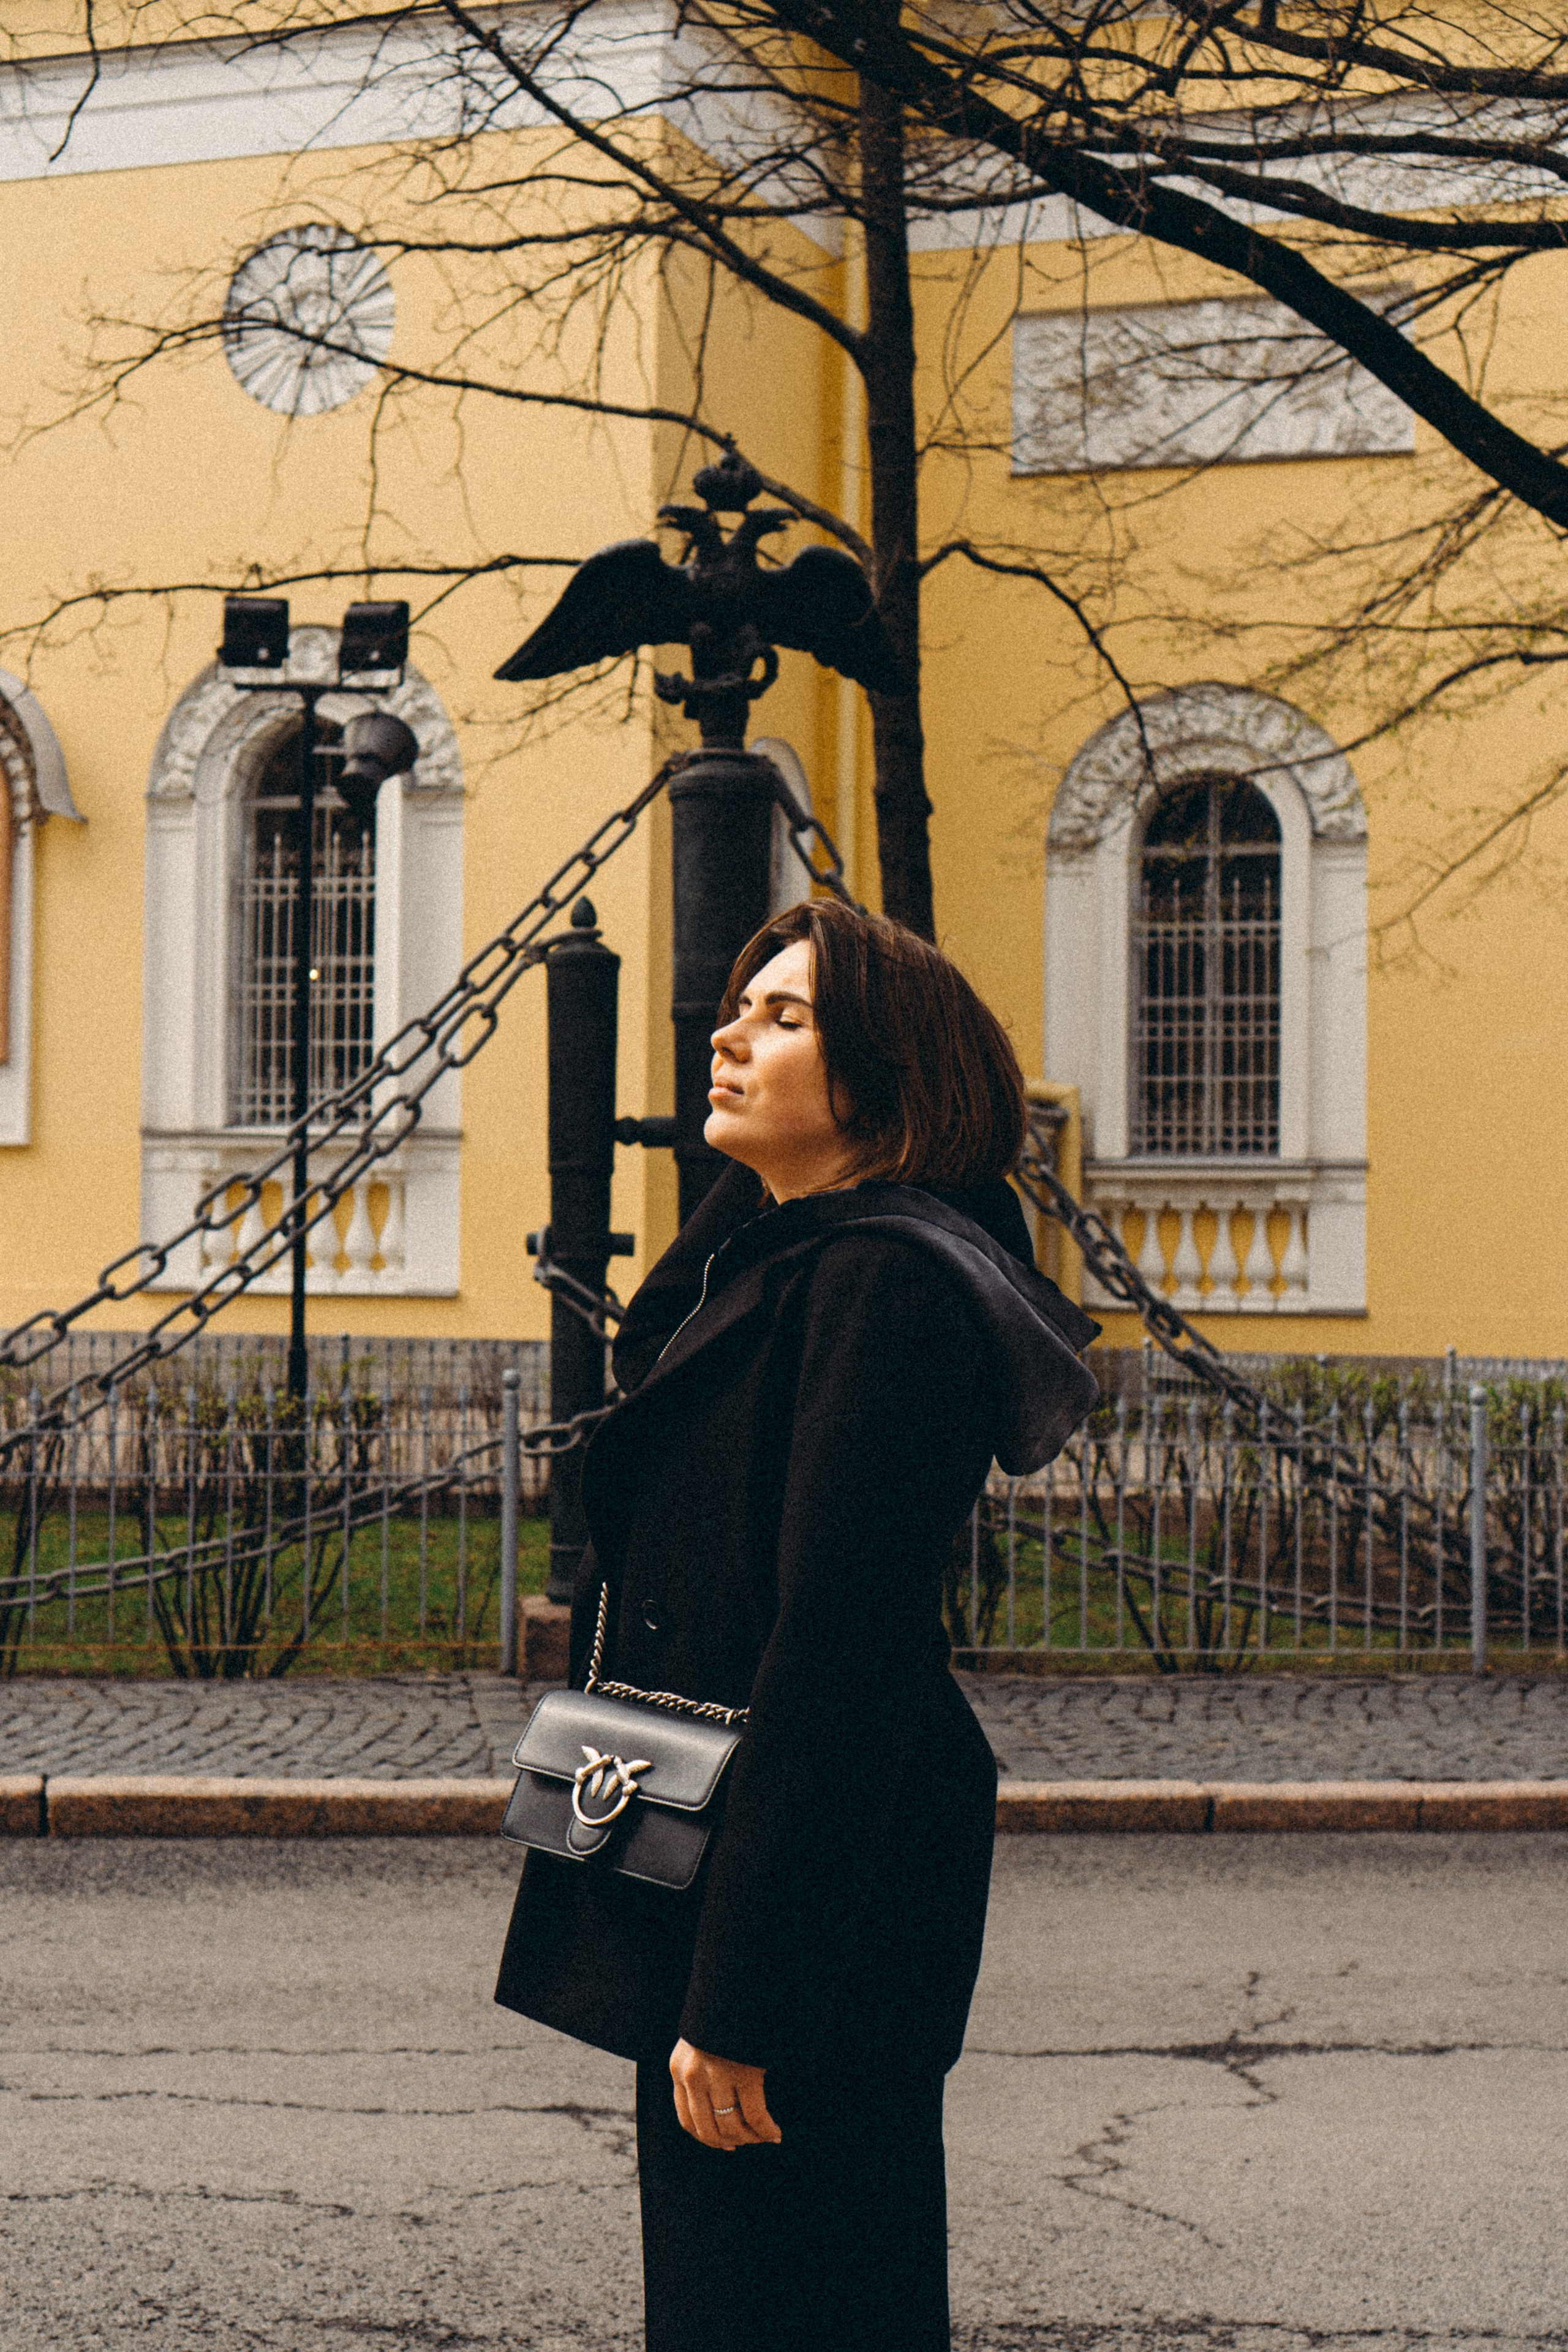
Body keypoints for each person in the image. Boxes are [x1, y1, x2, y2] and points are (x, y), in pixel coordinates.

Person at [496, 899, 1099, 2352]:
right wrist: (766, 1176)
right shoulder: (792, 1264)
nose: (729, 1033)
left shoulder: (884, 1289)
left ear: (882, 1081)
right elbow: (654, 1336)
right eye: (735, 1003)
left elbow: (839, 1656)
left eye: (785, 1016)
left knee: (794, 2302)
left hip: (803, 1917)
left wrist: (746, 1993)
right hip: (719, 1876)